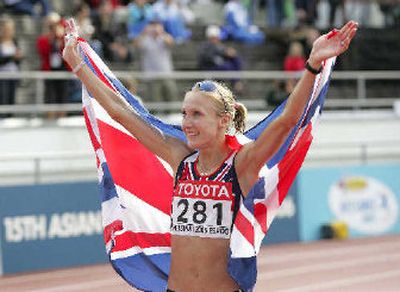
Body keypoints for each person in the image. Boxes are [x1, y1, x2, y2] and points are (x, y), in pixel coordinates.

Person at [63, 18, 358, 291]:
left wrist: (312, 65)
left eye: (196, 114)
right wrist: (79, 67)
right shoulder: (179, 157)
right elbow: (119, 112)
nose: (186, 123)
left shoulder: (242, 163)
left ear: (223, 120)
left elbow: (287, 121)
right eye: (184, 114)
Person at [134, 20, 178, 103]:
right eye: (153, 26)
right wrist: (143, 32)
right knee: (155, 100)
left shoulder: (164, 37)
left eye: (157, 26)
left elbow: (170, 42)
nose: (155, 29)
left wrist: (161, 32)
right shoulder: (145, 39)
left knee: (172, 97)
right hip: (151, 75)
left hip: (166, 74)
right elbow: (136, 44)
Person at [0, 17, 23, 116]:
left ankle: (10, 119)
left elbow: (17, 61)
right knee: (3, 100)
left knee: (11, 100)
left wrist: (18, 57)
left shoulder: (14, 41)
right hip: (2, 77)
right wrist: (11, 57)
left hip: (13, 75)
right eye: (7, 29)